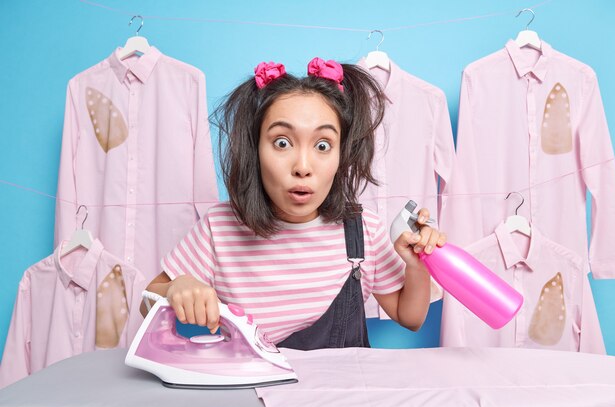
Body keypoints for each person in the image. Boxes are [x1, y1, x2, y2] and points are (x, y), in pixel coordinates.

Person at [142, 58, 446, 350]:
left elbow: (412, 318)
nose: (303, 166)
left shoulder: (363, 230)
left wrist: (416, 265)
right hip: (253, 398)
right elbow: (147, 301)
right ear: (255, 148)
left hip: (340, 398)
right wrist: (174, 288)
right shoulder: (218, 227)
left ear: (342, 155)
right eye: (282, 143)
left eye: (323, 145)